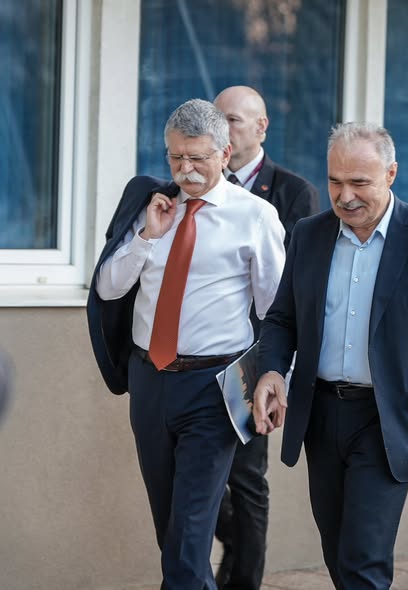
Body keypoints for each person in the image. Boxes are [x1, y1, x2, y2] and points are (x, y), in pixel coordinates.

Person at [252, 122, 408, 590]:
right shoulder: (308, 235)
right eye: (335, 181)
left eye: (359, 182)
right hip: (320, 415)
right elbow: (282, 320)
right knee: (337, 551)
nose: (345, 196)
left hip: (387, 420)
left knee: (362, 558)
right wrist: (271, 369)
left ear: (390, 174)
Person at [87, 98, 285, 589]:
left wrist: (276, 379)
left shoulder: (255, 217)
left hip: (215, 389)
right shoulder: (152, 206)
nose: (186, 169)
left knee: (189, 535)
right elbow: (107, 289)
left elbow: (279, 311)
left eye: (197, 157)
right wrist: (147, 238)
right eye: (176, 157)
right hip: (149, 382)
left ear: (225, 153)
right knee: (171, 531)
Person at [212, 85, 319, 589]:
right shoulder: (198, 184)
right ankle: (234, 545)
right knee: (195, 476)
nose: (223, 129)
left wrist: (279, 368)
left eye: (233, 120)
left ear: (261, 127)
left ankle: (244, 580)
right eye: (216, 119)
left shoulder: (293, 192)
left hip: (251, 358)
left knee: (246, 479)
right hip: (196, 353)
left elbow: (287, 289)